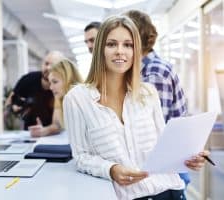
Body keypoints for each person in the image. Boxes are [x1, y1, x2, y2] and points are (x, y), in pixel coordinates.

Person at [63, 15, 208, 200]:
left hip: (170, 191)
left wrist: (188, 157)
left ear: (135, 50)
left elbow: (163, 147)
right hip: (128, 196)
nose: (120, 51)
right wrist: (111, 169)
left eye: (128, 45)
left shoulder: (148, 93)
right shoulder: (77, 99)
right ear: (100, 50)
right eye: (111, 44)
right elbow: (81, 156)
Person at [124, 10, 190, 186]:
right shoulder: (145, 69)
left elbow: (153, 130)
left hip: (165, 169)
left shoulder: (154, 73)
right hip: (161, 166)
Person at [5, 51, 64, 131]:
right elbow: (9, 102)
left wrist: (44, 131)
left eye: (53, 65)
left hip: (56, 135)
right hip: (30, 133)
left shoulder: (62, 86)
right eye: (46, 64)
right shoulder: (28, 79)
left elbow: (57, 125)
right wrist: (14, 108)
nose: (48, 68)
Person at [29, 59, 83, 137]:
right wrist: (43, 131)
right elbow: (57, 124)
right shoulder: (60, 98)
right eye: (50, 83)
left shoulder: (85, 99)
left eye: (55, 82)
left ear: (69, 79)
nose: (51, 88)